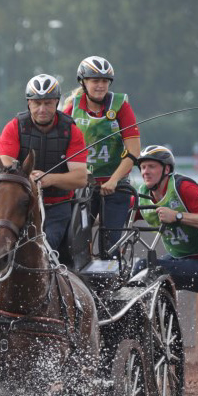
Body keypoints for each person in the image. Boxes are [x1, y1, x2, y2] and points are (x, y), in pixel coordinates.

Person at [0, 73, 88, 252]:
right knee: (2, 247)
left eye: (48, 103)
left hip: (57, 207)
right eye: (37, 103)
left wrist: (49, 179)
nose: (42, 109)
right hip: (19, 206)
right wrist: (27, 177)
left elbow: (80, 178)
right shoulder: (14, 127)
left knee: (43, 250)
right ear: (29, 103)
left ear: (57, 102)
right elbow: (5, 163)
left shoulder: (71, 131)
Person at [63, 56, 141, 256]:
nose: (100, 86)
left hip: (114, 187)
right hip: (83, 188)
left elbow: (133, 150)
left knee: (110, 245)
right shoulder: (72, 108)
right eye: (95, 81)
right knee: (76, 243)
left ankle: (113, 278)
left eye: (104, 81)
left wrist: (114, 181)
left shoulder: (121, 106)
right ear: (83, 82)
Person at [133, 145, 198, 293]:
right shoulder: (144, 195)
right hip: (181, 259)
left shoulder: (183, 187)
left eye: (151, 167)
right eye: (143, 167)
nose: (145, 172)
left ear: (166, 169)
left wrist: (177, 216)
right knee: (131, 270)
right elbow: (117, 215)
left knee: (144, 268)